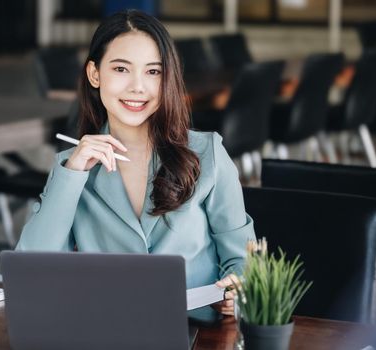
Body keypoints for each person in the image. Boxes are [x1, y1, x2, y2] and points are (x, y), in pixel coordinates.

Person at [16, 9, 255, 316]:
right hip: (109, 330)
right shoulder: (72, 168)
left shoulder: (207, 151)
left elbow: (244, 258)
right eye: (121, 69)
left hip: (198, 333)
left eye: (153, 72)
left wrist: (238, 291)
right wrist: (72, 174)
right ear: (95, 74)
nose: (137, 87)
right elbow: (33, 267)